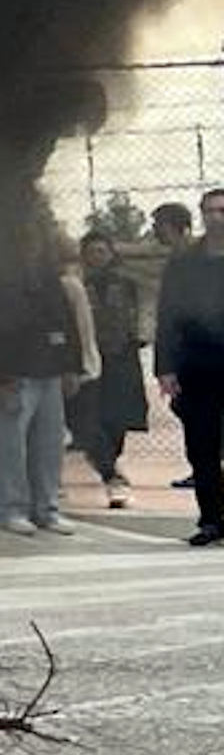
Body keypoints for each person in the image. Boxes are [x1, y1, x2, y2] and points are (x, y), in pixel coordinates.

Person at [0, 227, 93, 539]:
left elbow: (64, 321)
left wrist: (71, 366)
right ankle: (7, 508)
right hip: (13, 372)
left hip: (48, 371)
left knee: (49, 443)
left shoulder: (47, 278)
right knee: (9, 444)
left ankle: (46, 507)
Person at [159, 186, 224, 550]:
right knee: (202, 446)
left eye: (223, 211)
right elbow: (167, 316)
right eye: (210, 211)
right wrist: (165, 368)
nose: (216, 218)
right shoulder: (184, 261)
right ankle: (212, 519)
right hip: (197, 365)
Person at [73, 227, 150, 509]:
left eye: (102, 251)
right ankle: (110, 473)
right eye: (91, 252)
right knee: (92, 418)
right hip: (91, 359)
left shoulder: (126, 283)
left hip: (121, 358)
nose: (97, 257)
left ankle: (110, 461)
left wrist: (136, 338)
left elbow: (139, 316)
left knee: (119, 417)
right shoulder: (77, 285)